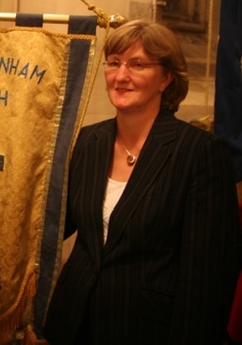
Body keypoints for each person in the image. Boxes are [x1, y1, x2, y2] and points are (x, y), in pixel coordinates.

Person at [42, 19, 239, 344]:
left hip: (149, 328)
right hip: (74, 322)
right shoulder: (87, 141)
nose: (121, 76)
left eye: (138, 65)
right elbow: (54, 225)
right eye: (114, 63)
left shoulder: (199, 153)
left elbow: (208, 278)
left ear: (166, 78)